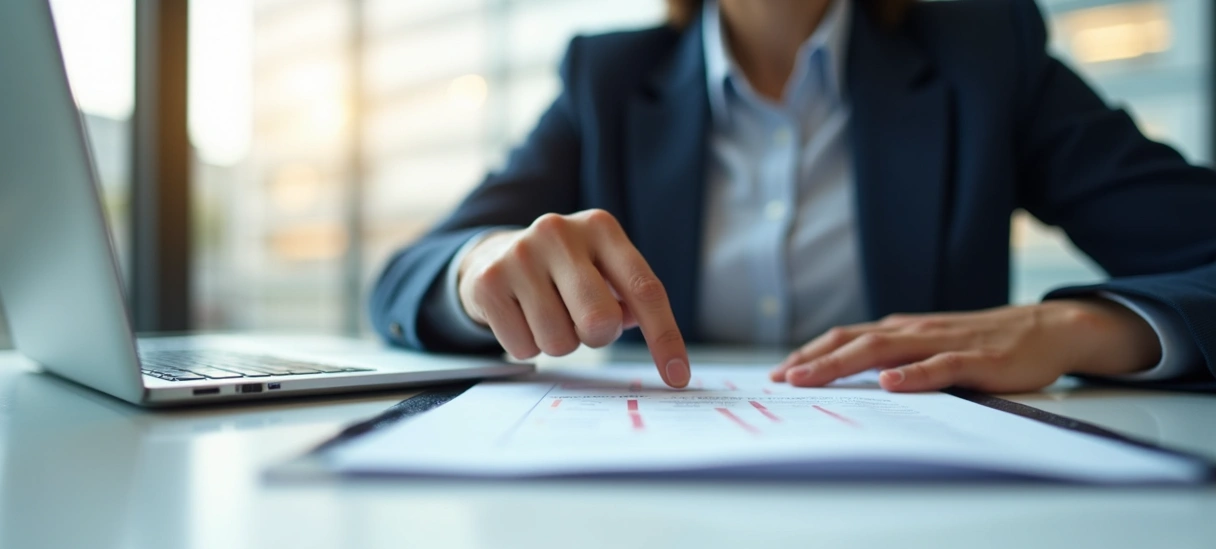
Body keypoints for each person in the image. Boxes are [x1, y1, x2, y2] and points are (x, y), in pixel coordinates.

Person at [370, 0, 1216, 393]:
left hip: (935, 521)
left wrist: (1074, 328)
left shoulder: (988, 56)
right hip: (656, 515)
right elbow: (408, 278)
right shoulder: (610, 78)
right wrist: (479, 265)